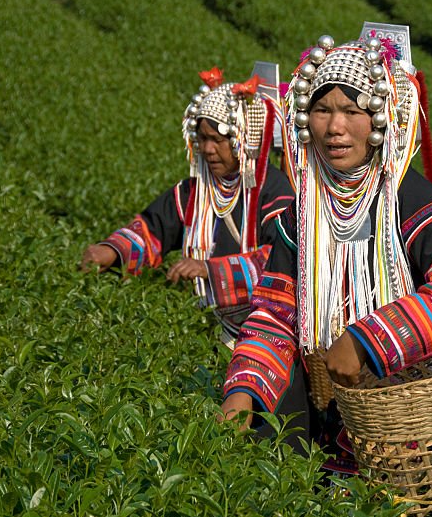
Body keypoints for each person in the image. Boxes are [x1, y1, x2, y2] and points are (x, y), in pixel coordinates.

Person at [220, 31, 432, 464]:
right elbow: (276, 310)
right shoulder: (304, 211)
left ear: (382, 118)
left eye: (352, 110)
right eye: (322, 110)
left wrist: (365, 340)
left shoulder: (413, 201)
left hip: (413, 418)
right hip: (332, 415)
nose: (335, 127)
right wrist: (243, 391)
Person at [80, 67, 294, 344]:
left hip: (259, 332)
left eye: (217, 140)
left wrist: (209, 269)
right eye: (202, 139)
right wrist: (111, 251)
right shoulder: (195, 190)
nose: (207, 149)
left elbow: (281, 259)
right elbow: (152, 228)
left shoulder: (272, 190)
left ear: (241, 139)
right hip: (199, 325)